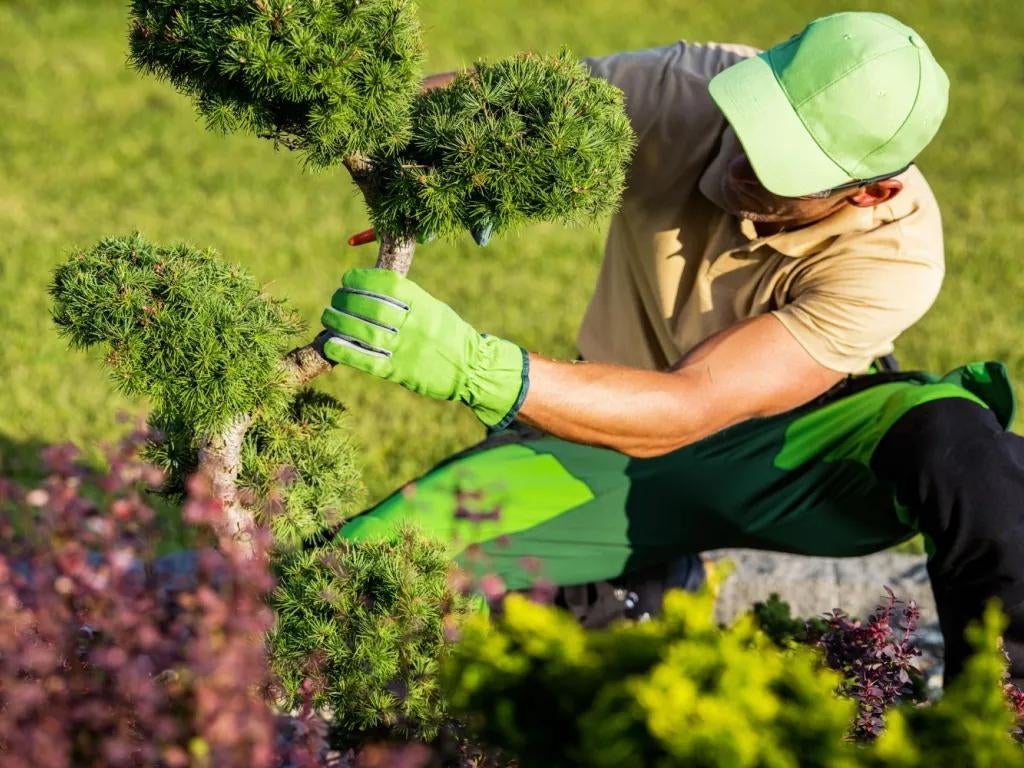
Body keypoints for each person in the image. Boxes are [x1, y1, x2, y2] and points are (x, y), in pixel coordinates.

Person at [317, 12, 1024, 685]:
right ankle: (643, 589)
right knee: (376, 561)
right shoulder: (693, 85)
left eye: (784, 164)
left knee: (959, 440)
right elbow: (497, 104)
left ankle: (1001, 716)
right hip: (613, 438)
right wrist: (395, 132)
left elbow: (694, 404)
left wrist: (476, 367)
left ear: (871, 192)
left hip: (803, 468)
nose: (743, 158)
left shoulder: (897, 256)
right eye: (756, 124)